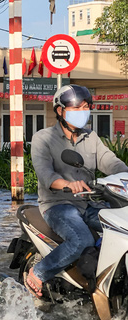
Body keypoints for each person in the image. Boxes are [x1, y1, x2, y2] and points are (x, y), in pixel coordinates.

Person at [26, 84, 128, 298]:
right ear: (60, 110)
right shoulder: (43, 138)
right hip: (58, 206)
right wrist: (67, 184)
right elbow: (45, 175)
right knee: (82, 240)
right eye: (75, 108)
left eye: (85, 107)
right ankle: (38, 272)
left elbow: (110, 162)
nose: (82, 112)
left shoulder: (90, 137)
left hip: (91, 204)